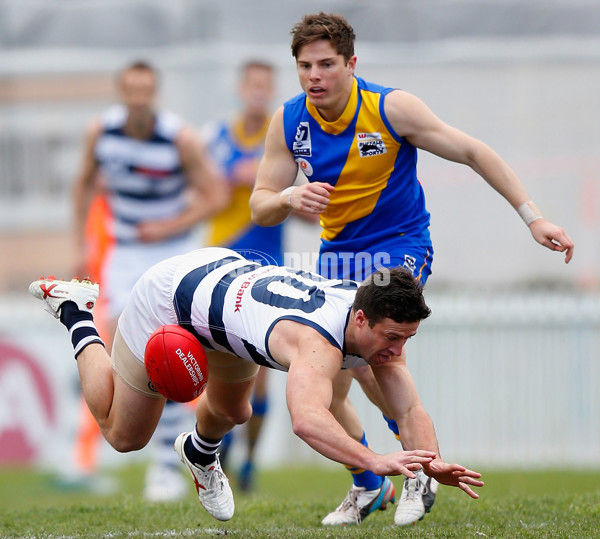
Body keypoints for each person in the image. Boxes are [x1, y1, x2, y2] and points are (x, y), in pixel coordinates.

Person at [248, 12, 574, 526]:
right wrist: (289, 195)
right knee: (328, 384)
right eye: (305, 65)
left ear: (351, 63)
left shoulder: (389, 107)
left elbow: (470, 150)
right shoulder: (289, 121)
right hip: (338, 257)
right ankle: (368, 485)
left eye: (327, 64)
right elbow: (259, 205)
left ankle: (419, 473)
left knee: (382, 353)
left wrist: (532, 217)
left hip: (398, 248)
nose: (315, 75)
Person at [29, 246, 484, 523]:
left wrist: (430, 465)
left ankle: (198, 453)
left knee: (233, 412)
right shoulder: (317, 343)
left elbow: (409, 409)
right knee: (125, 436)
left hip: (223, 291)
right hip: (169, 299)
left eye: (407, 339)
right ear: (361, 320)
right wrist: (374, 460)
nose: (398, 351)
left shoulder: (370, 313)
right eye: (392, 338)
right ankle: (76, 313)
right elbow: (306, 420)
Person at [71, 60, 228, 501]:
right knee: (126, 345)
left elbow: (215, 196)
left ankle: (164, 466)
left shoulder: (180, 138)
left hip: (170, 252)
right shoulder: (101, 132)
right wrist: (81, 240)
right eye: (131, 91)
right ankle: (135, 445)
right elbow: (83, 183)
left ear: (154, 93)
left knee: (170, 348)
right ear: (123, 92)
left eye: (146, 91)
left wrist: (169, 225)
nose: (138, 99)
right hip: (124, 253)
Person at [201, 60, 281, 490]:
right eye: (251, 83)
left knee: (261, 369)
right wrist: (230, 180)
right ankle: (219, 449)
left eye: (264, 85)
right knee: (220, 362)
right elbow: (201, 196)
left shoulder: (281, 137)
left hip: (268, 262)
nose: (257, 91)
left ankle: (249, 458)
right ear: (240, 87)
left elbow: (299, 204)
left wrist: (274, 187)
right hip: (220, 260)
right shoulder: (214, 138)